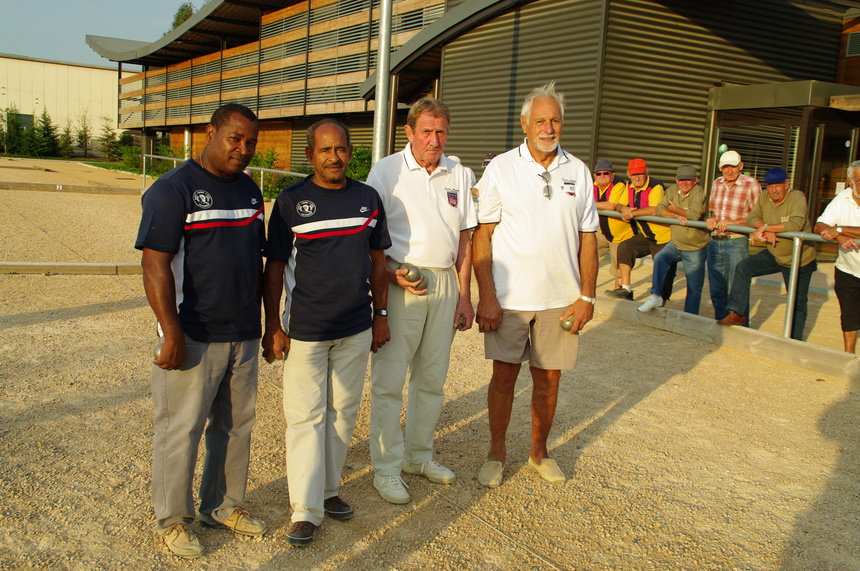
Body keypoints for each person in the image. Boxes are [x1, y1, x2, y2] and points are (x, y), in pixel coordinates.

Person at [135, 103, 267, 559]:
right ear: (209, 133)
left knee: (235, 427)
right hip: (193, 333)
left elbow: (258, 262)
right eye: (235, 138)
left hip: (243, 333)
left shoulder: (251, 191)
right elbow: (154, 265)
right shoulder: (173, 190)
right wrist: (170, 332)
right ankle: (172, 519)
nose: (243, 149)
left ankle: (222, 505)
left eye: (250, 142)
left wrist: (265, 326)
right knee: (181, 429)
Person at [261, 119, 392, 545]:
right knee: (305, 418)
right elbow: (275, 267)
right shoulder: (290, 201)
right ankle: (304, 510)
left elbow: (377, 262)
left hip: (355, 327)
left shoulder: (367, 198)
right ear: (310, 155)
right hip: (307, 332)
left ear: (351, 152)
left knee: (342, 413)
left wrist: (381, 315)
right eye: (324, 150)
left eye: (341, 150)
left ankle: (329, 491)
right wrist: (273, 326)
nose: (333, 157)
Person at [472, 81, 598, 488]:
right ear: (524, 123)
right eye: (540, 120)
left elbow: (589, 238)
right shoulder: (501, 168)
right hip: (510, 299)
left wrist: (587, 296)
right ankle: (496, 453)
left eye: (555, 120)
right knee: (503, 378)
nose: (548, 127)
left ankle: (539, 453)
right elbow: (483, 234)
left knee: (549, 381)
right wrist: (487, 296)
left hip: (559, 301)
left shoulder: (578, 171)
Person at [364, 98, 477, 504]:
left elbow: (465, 237)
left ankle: (419, 456)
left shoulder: (458, 172)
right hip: (402, 279)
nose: (434, 139)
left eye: (441, 131)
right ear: (409, 132)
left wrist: (465, 295)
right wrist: (388, 273)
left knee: (431, 379)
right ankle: (387, 467)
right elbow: (369, 233)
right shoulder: (386, 171)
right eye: (426, 131)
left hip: (445, 282)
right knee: (390, 380)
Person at [717, 167, 817, 341]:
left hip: (799, 258)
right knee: (743, 267)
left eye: (778, 185)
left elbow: (796, 224)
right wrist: (765, 227)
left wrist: (766, 228)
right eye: (770, 186)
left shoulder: (797, 197)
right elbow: (751, 217)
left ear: (787, 184)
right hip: (774, 252)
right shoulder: (765, 196)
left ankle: (794, 342)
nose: (774, 189)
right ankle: (737, 312)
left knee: (797, 304)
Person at [637, 164, 709, 314]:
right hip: (676, 243)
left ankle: (690, 317)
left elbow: (695, 215)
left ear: (695, 180)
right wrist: (677, 215)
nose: (684, 183)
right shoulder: (671, 191)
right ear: (676, 180)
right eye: (681, 179)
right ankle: (656, 295)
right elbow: (659, 209)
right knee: (660, 258)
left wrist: (675, 209)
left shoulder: (698, 192)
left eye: (688, 180)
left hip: (694, 246)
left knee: (694, 286)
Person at [604, 158, 673, 301]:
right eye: (634, 174)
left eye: (640, 174)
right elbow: (619, 205)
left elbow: (655, 209)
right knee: (625, 247)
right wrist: (624, 209)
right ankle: (626, 290)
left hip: (662, 237)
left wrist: (632, 213)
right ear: (629, 174)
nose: (637, 177)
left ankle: (661, 303)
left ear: (646, 173)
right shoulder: (629, 186)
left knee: (664, 272)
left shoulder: (655, 186)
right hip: (646, 235)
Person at [706, 150, 762, 322]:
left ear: (741, 166)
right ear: (720, 168)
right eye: (725, 167)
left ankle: (742, 332)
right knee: (716, 289)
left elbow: (758, 216)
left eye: (733, 167)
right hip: (715, 241)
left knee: (738, 290)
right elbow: (715, 211)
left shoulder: (751, 184)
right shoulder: (717, 183)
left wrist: (735, 223)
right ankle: (721, 327)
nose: (729, 171)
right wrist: (711, 219)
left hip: (736, 241)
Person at [814, 160, 860, 353]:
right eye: (859, 180)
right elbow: (819, 225)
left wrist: (839, 229)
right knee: (849, 316)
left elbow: (833, 227)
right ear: (850, 182)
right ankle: (848, 357)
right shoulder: (843, 197)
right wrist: (840, 237)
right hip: (847, 268)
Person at [592, 159, 632, 291]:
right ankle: (584, 289)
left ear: (612, 174)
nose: (602, 176)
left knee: (619, 267)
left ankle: (619, 294)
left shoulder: (619, 184)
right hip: (602, 231)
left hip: (620, 234)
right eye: (599, 174)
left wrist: (589, 204)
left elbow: (612, 205)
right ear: (594, 175)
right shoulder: (593, 185)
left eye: (606, 173)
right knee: (587, 254)